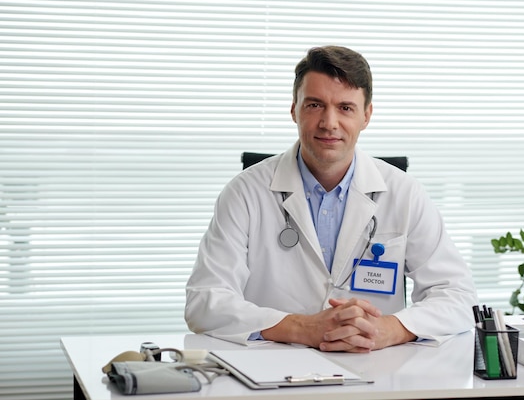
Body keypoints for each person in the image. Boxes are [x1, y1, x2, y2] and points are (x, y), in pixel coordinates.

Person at [185, 45, 477, 353]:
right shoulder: (244, 193)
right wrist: (302, 327)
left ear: (367, 115)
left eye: (345, 108)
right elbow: (205, 300)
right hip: (273, 377)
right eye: (314, 105)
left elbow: (458, 295)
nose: (329, 122)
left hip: (377, 375)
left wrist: (391, 329)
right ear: (293, 109)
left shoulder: (404, 193)